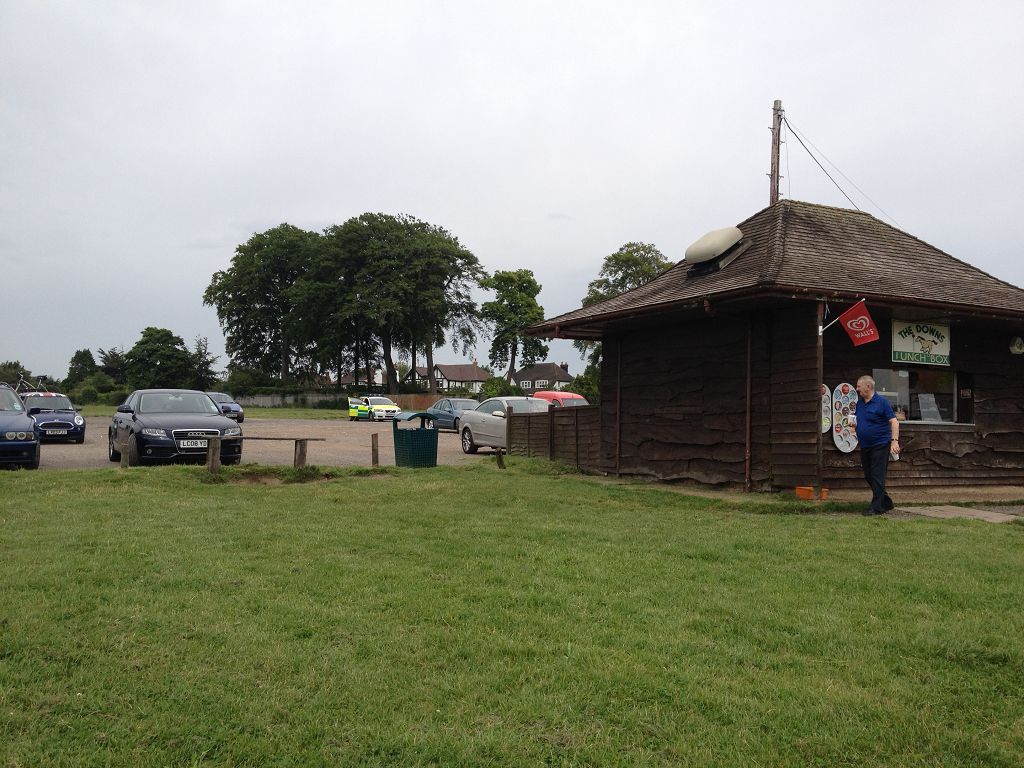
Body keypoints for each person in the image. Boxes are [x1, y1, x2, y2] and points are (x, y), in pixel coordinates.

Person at [849, 375, 900, 516]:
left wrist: (894, 441)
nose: (857, 389)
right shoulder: (860, 403)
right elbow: (860, 421)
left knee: (877, 475)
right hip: (865, 445)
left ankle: (877, 507)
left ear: (868, 386)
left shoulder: (882, 402)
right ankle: (886, 501)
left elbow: (894, 422)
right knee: (868, 475)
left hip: (880, 444)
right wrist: (854, 426)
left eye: (859, 386)